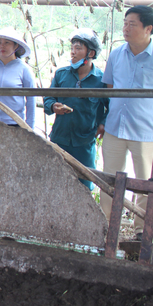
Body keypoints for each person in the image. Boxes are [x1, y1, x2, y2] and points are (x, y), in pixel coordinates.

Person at [100, 6, 153, 239]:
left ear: (148, 29)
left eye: (132, 24)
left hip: (146, 131)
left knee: (147, 181)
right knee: (108, 177)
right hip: (116, 127)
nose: (126, 28)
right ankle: (106, 225)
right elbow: (110, 87)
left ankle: (141, 230)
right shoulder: (116, 55)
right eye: (125, 23)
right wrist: (106, 120)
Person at [43, 29, 109, 191]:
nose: (73, 52)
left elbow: (110, 106)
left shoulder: (101, 80)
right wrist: (53, 106)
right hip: (60, 138)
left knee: (85, 183)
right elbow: (48, 99)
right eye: (72, 48)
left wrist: (103, 124)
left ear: (91, 53)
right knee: (54, 181)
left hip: (85, 141)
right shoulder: (61, 75)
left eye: (78, 48)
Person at [0, 28, 36, 129]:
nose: (2, 46)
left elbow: (31, 100)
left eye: (7, 43)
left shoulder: (24, 69)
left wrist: (29, 127)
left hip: (14, 123)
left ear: (16, 46)